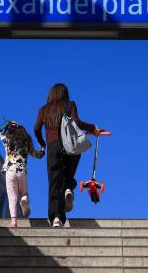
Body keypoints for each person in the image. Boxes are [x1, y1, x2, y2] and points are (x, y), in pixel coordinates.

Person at [34, 83, 100, 227]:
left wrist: (43, 143)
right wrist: (93, 127)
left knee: (54, 183)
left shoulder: (43, 110)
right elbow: (77, 122)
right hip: (70, 145)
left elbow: (36, 128)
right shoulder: (70, 105)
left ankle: (56, 218)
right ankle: (69, 188)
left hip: (53, 148)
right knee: (69, 170)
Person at [0, 120, 44, 228]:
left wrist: (9, 124)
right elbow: (38, 155)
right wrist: (43, 149)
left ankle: (14, 222)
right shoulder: (26, 141)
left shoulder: (8, 140)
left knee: (12, 197)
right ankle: (23, 200)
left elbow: (0, 132)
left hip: (10, 171)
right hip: (21, 171)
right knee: (24, 193)